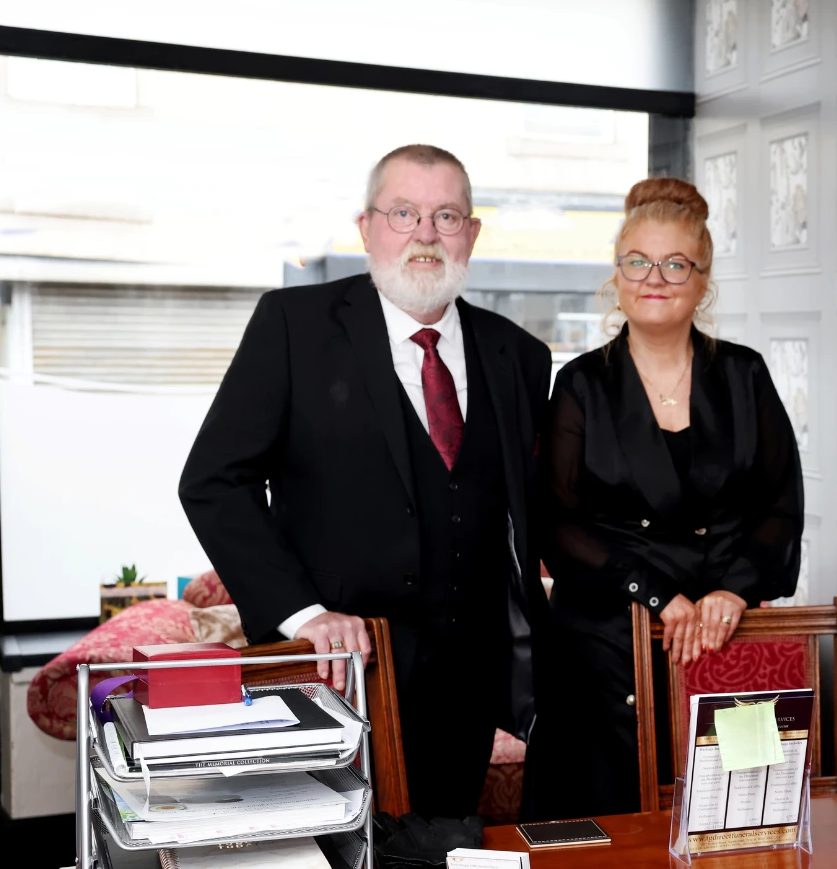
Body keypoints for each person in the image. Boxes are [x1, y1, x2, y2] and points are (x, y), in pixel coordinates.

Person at [179, 144, 552, 819]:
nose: (425, 234)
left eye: (446, 216)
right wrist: (303, 615)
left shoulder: (521, 356)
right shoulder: (293, 327)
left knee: (445, 853)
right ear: (367, 227)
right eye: (403, 212)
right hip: (336, 676)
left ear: (471, 233)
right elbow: (214, 482)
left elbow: (534, 512)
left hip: (466, 689)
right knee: (329, 852)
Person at [520, 177, 804, 821]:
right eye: (639, 262)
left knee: (735, 824)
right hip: (603, 643)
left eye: (677, 263)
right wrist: (653, 594)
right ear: (616, 277)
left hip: (724, 636)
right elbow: (556, 523)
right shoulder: (582, 383)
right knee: (602, 835)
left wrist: (732, 591)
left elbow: (780, 506)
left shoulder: (745, 374)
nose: (657, 277)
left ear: (703, 281)